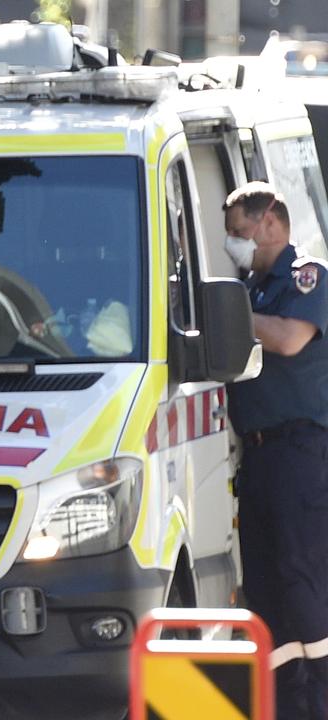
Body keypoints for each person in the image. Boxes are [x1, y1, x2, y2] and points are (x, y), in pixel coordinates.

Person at [223, 181, 328, 719]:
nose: (235, 245)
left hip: (299, 452)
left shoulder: (304, 276)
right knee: (265, 588)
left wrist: (229, 319)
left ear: (270, 222)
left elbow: (289, 339)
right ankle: (290, 706)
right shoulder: (250, 287)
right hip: (259, 458)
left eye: (240, 233)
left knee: (303, 578)